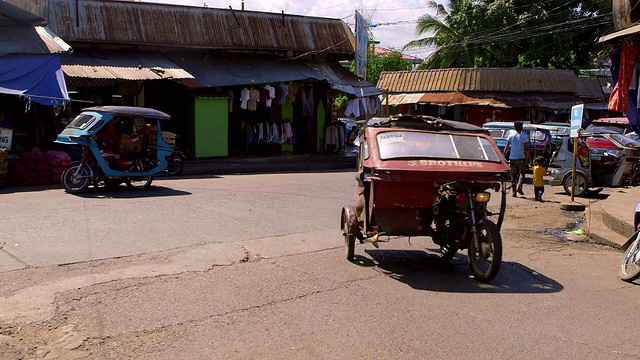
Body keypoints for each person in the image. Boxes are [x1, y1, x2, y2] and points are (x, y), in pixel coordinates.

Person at [503, 121, 531, 197]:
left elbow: (506, 148)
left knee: (513, 175)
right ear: (521, 128)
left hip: (512, 158)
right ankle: (519, 186)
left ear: (514, 128)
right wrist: (530, 160)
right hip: (521, 158)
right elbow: (526, 149)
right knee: (522, 172)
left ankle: (514, 192)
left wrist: (503, 157)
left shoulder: (511, 136)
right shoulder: (523, 137)